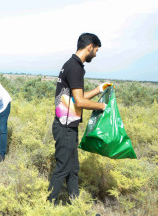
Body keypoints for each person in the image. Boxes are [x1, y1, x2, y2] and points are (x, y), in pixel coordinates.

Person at [47, 33, 112, 205]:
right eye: (96, 50)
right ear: (90, 46)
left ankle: (74, 204)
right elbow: (80, 101)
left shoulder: (71, 64)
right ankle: (48, 205)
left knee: (73, 169)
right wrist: (103, 107)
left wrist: (99, 89)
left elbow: (77, 96)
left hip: (67, 125)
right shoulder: (75, 67)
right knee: (62, 168)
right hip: (65, 126)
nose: (96, 54)